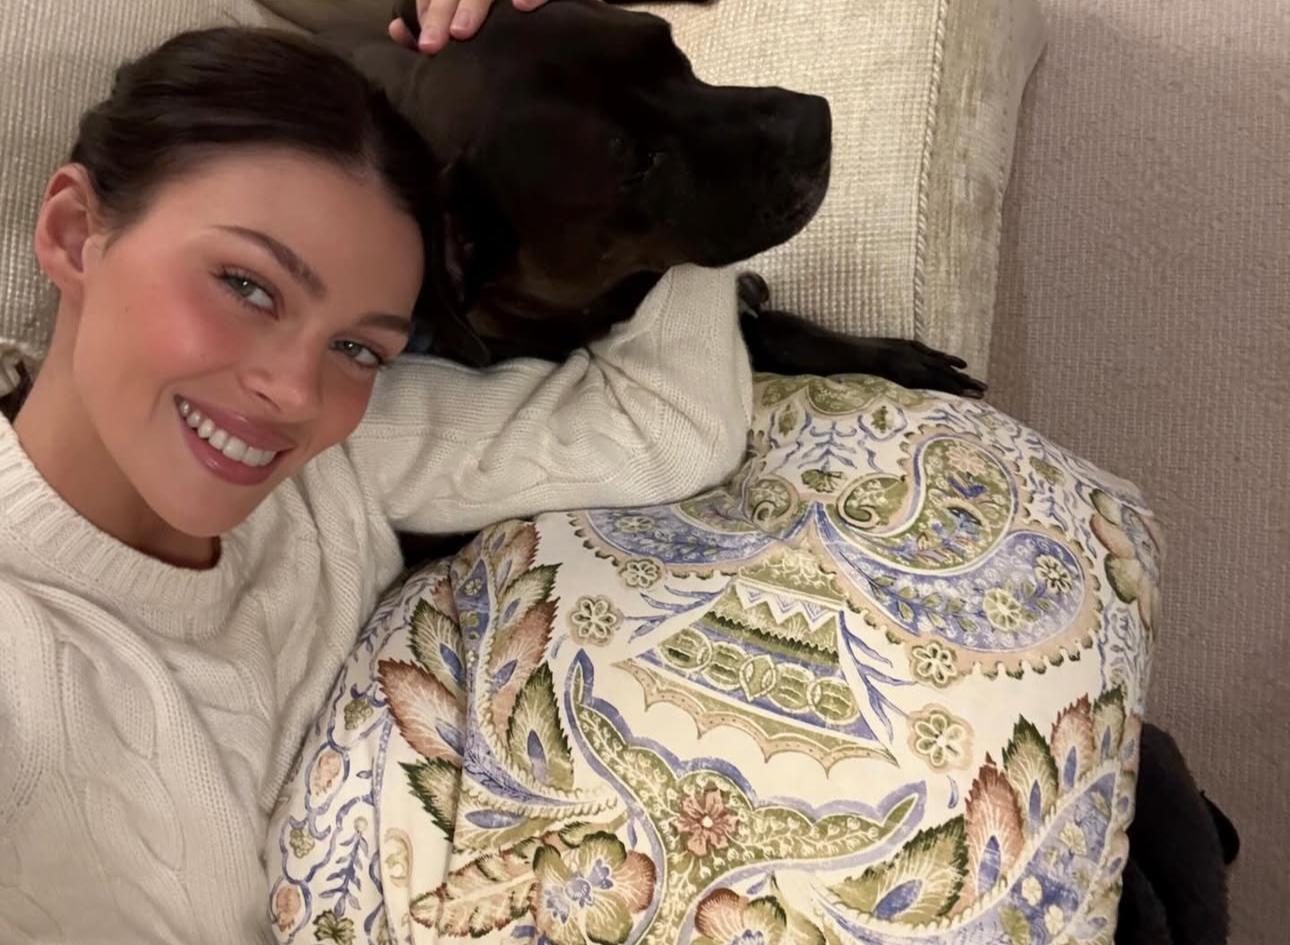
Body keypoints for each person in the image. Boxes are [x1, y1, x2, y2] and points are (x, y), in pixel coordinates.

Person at [0, 23, 750, 945]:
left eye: (358, 347)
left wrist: (633, 108)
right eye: (247, 286)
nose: (296, 392)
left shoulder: (334, 460)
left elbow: (661, 428)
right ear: (74, 233)